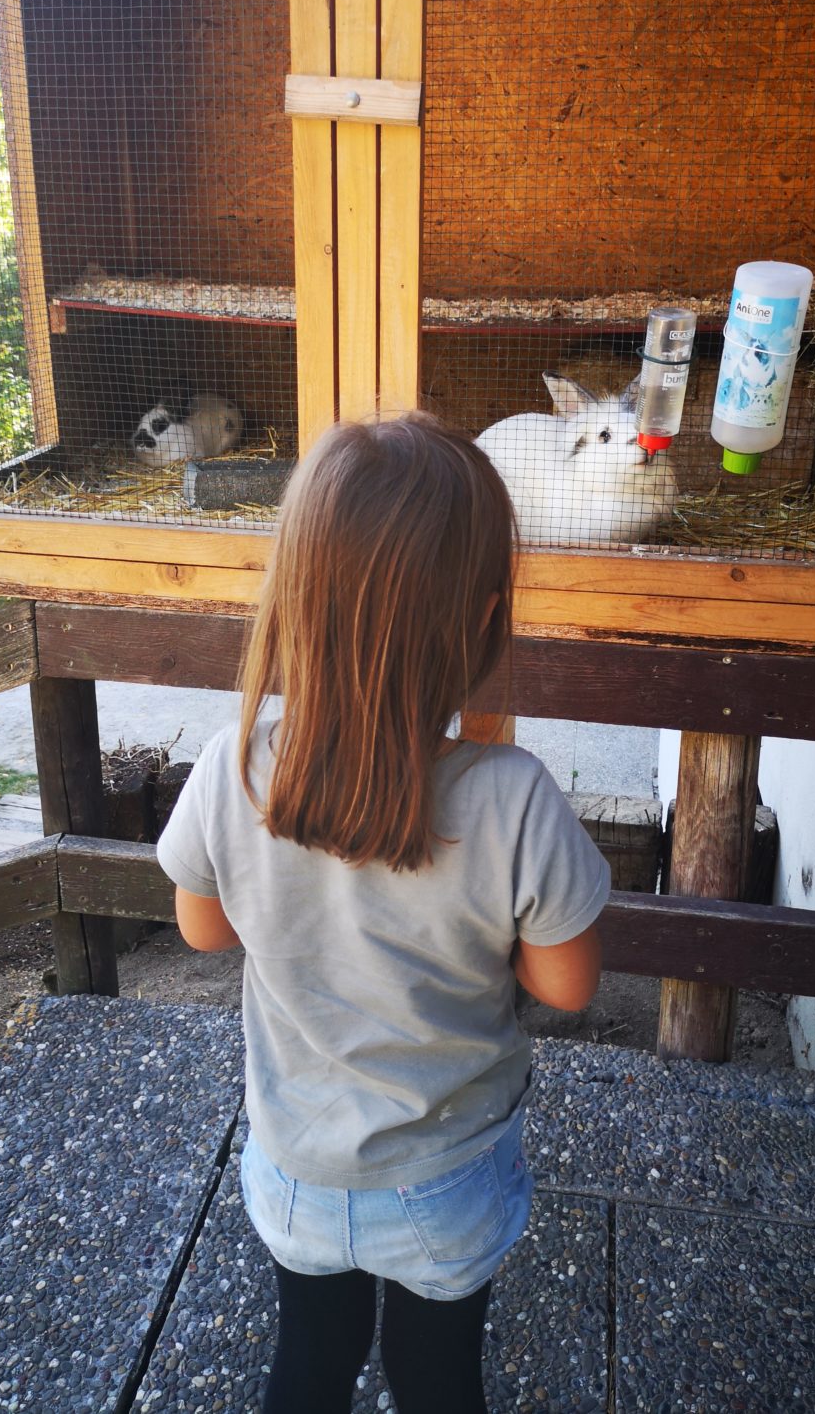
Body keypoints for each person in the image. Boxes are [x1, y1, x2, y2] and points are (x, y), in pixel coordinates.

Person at [157, 414, 609, 1414]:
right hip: (445, 1176)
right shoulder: (513, 795)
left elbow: (200, 928)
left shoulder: (237, 764)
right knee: (436, 1378)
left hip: (295, 1169)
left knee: (309, 1360)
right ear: (486, 614)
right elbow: (565, 986)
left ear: (297, 595)